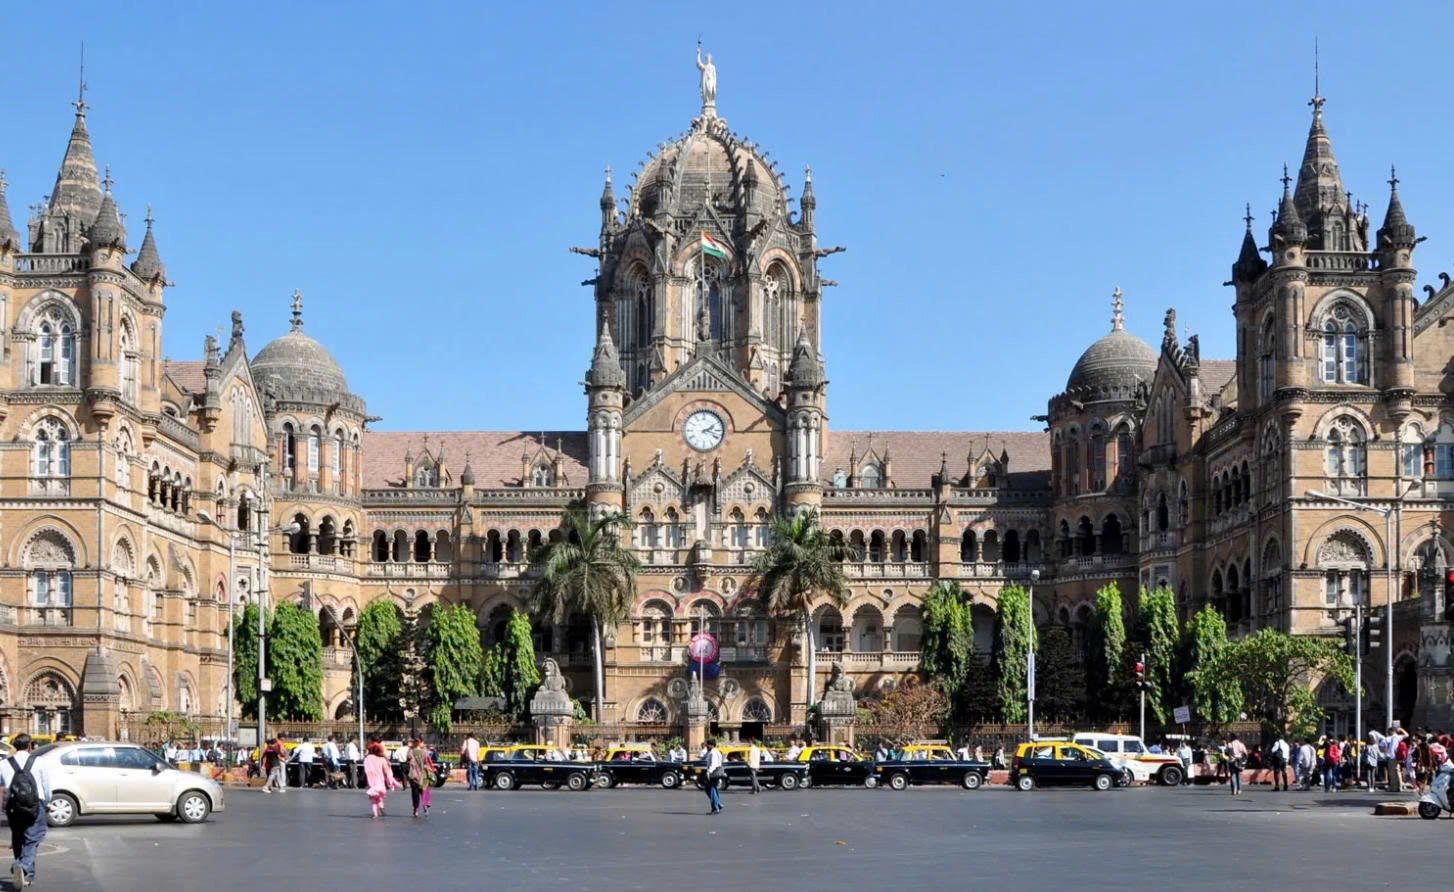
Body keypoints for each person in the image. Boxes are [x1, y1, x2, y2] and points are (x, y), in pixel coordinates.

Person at [1, 734, 51, 889]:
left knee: (18, 837)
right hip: (35, 804)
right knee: (34, 836)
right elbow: (46, 786)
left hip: (13, 806)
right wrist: (47, 801)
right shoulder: (40, 762)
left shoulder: (3, 763)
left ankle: (27, 876)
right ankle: (23, 866)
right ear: (30, 746)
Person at [364, 740, 400, 819]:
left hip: (372, 782)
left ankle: (375, 813)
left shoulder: (368, 758)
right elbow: (388, 773)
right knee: (379, 797)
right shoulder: (383, 760)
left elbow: (366, 769)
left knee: (374, 799)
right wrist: (393, 783)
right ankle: (381, 808)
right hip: (380, 783)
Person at [406, 737, 435, 817]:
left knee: (415, 793)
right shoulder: (424, 751)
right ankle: (425, 806)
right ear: (420, 743)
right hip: (423, 774)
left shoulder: (411, 751)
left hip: (414, 774)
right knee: (424, 791)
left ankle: (416, 810)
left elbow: (408, 758)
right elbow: (428, 761)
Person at [703, 739, 724, 814]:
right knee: (712, 788)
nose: (706, 746)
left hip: (714, 772)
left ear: (711, 745)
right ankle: (718, 804)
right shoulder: (717, 751)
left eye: (707, 745)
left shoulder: (713, 753)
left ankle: (715, 807)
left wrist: (709, 772)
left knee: (711, 789)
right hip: (717, 771)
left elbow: (714, 764)